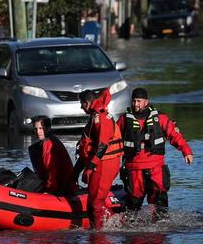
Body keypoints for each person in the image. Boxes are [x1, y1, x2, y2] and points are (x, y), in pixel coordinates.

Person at [117, 87, 193, 219]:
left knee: (160, 202)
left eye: (139, 101)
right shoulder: (124, 120)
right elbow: (113, 139)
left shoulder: (160, 118)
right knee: (133, 205)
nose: (136, 104)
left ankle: (161, 230)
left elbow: (174, 135)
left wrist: (186, 152)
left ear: (146, 102)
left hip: (155, 167)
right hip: (134, 169)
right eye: (134, 101)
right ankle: (131, 232)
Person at [75, 88, 124, 230]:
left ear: (88, 103)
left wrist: (90, 167)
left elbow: (103, 145)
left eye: (82, 104)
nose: (81, 107)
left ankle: (100, 233)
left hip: (105, 163)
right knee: (94, 201)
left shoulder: (101, 117)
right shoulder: (95, 116)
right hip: (100, 162)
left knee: (95, 202)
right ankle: (109, 225)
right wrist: (78, 170)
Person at [28, 115, 78, 195]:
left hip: (63, 188)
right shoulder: (51, 140)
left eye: (41, 128)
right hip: (65, 185)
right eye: (35, 129)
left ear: (48, 128)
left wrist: (50, 190)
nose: (38, 132)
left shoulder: (48, 143)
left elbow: (51, 170)